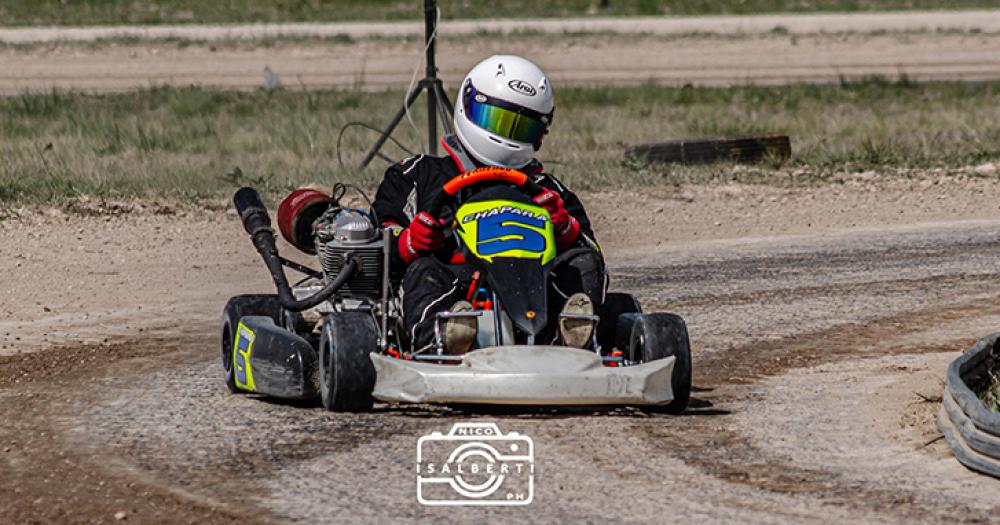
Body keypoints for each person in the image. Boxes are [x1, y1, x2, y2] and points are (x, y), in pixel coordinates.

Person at [372, 54, 606, 354]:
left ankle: (570, 336)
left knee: (584, 264)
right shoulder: (418, 175)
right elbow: (375, 251)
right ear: (469, 104)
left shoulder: (549, 191)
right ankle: (444, 339)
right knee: (424, 271)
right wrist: (408, 243)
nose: (506, 136)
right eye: (497, 120)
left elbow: (595, 258)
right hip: (457, 284)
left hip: (536, 288)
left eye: (521, 128)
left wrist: (565, 230)